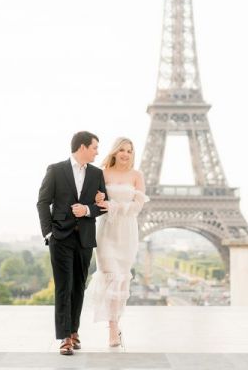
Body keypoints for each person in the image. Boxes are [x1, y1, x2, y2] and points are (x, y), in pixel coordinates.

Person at [36, 131, 108, 356]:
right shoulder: (55, 170)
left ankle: (74, 331)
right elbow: (43, 202)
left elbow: (104, 204)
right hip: (61, 238)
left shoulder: (97, 174)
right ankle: (65, 337)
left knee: (78, 287)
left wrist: (87, 209)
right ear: (83, 147)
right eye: (95, 147)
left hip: (84, 239)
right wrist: (48, 233)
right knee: (64, 288)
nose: (97, 151)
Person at [89, 137, 149, 347]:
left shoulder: (137, 175)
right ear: (115, 152)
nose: (125, 154)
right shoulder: (101, 173)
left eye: (130, 151)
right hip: (107, 231)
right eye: (122, 149)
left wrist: (114, 206)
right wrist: (97, 201)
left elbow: (138, 205)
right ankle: (112, 328)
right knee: (109, 277)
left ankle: (114, 327)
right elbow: (93, 199)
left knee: (120, 279)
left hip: (126, 232)